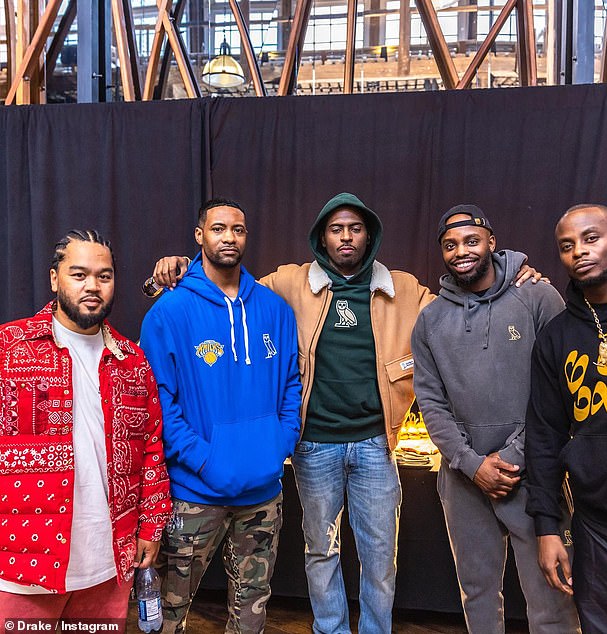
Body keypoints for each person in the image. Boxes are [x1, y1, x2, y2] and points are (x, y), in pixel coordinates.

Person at [148, 193, 541, 634]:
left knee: (379, 557)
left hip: (376, 444)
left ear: (369, 235)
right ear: (322, 237)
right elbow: (228, 280)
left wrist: (510, 273)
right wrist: (178, 265)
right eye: (336, 229)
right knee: (321, 550)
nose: (346, 237)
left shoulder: (405, 289)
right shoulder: (289, 284)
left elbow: (463, 295)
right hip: (315, 446)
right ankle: (329, 629)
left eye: (355, 228)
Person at [411, 205, 580, 634]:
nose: (461, 251)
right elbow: (430, 401)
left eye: (471, 241)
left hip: (533, 474)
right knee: (478, 596)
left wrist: (513, 455)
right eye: (450, 245)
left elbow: (561, 385)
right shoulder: (430, 319)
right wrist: (471, 464)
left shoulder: (537, 296)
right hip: (464, 479)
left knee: (551, 597)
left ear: (491, 241)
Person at [139, 198, 301, 634]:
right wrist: (207, 459)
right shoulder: (169, 313)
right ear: (200, 235)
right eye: (219, 228)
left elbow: (291, 385)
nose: (229, 237)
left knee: (252, 606)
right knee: (167, 613)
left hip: (263, 494)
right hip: (195, 492)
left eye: (238, 229)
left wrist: (279, 446)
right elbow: (159, 405)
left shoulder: (275, 310)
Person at [0, 229, 171, 623]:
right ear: (54, 279)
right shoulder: (10, 348)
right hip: (22, 563)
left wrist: (151, 525)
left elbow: (151, 451)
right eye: (79, 275)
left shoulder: (132, 361)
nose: (92, 286)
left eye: (104, 276)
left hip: (110, 561)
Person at [526, 204, 607, 634]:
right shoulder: (555, 336)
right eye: (567, 246)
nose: (579, 252)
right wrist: (547, 527)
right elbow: (544, 436)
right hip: (598, 528)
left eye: (592, 238)